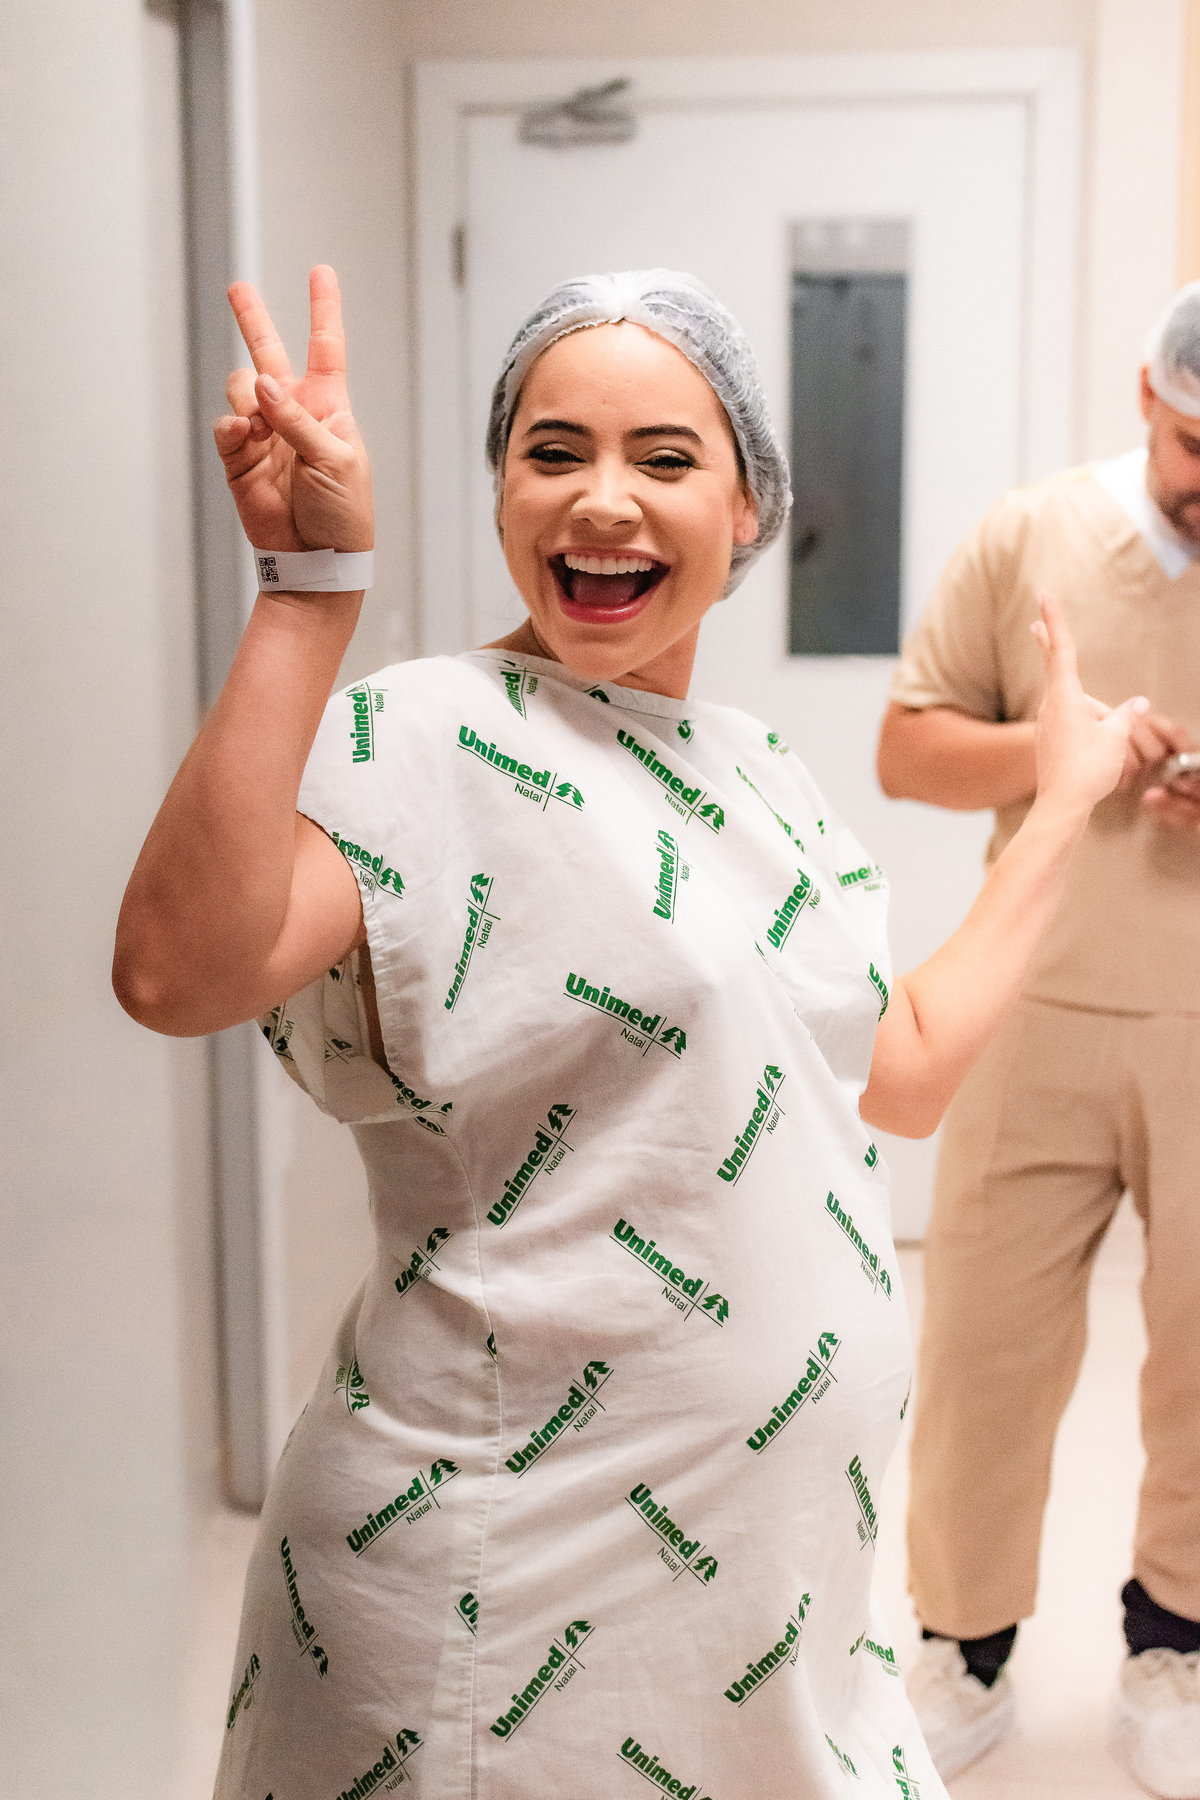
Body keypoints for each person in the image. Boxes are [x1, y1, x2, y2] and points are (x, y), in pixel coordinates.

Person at [114, 265, 1141, 1800]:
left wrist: (1062, 805)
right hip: (502, 1604)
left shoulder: (757, 771)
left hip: (768, 1601)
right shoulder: (426, 735)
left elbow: (903, 1067)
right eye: (553, 450)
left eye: (666, 458)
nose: (603, 500)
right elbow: (177, 973)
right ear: (502, 491)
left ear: (748, 510)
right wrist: (306, 593)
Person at [878, 281, 1200, 1798]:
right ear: (1151, 399)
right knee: (984, 1351)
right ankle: (965, 1648)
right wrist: (1059, 754)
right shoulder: (1033, 536)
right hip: (1039, 1003)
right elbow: (910, 744)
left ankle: (1177, 1644)